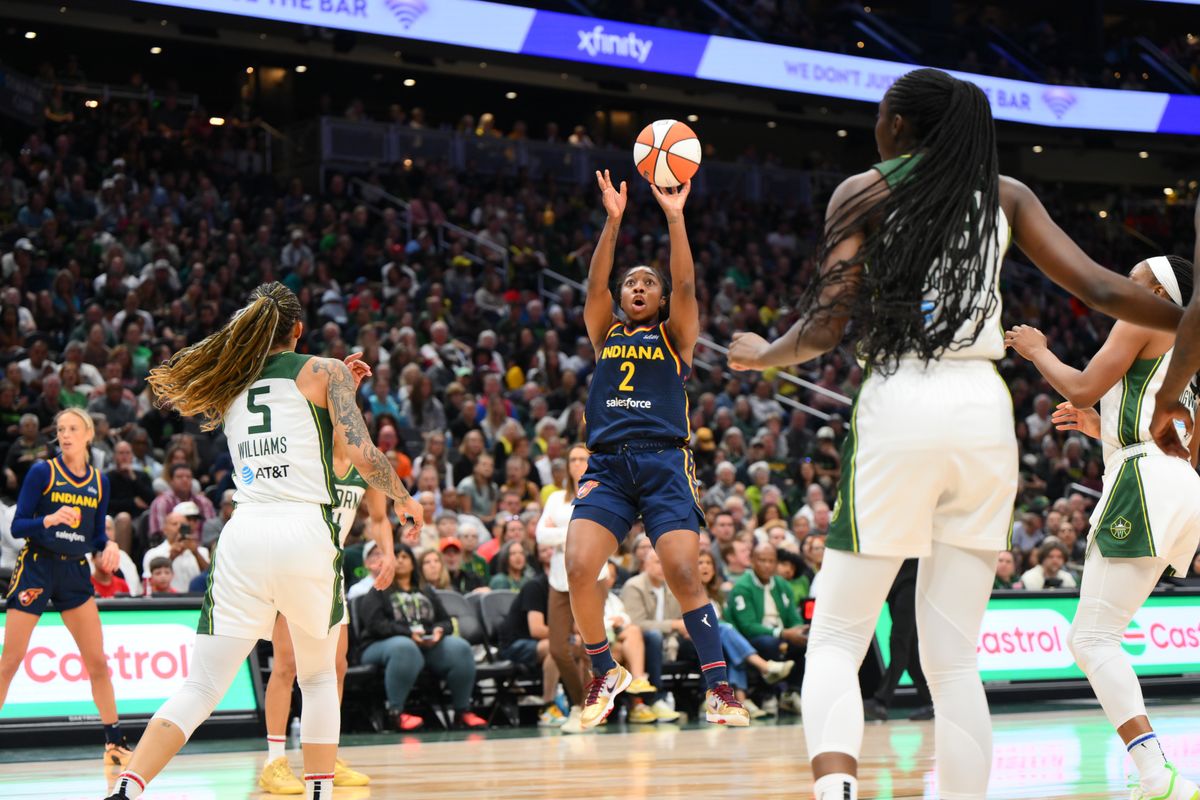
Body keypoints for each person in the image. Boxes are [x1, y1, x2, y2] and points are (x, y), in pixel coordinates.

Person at [725, 68, 1183, 800]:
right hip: (982, 412)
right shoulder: (1006, 196)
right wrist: (1188, 318)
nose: (876, 127)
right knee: (954, 658)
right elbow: (1100, 288)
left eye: (881, 115)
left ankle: (837, 792)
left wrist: (764, 355)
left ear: (900, 126)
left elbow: (825, 326)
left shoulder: (864, 190)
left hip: (902, 400)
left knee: (839, 637)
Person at [105, 282, 424, 800]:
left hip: (244, 535)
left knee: (201, 687)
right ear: (298, 330)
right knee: (318, 679)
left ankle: (126, 789)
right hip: (304, 532)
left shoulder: (231, 380)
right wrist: (404, 496)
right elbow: (359, 451)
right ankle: (320, 793)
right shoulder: (326, 370)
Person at [1008, 254, 1200, 798]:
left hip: (1144, 482)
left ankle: (1156, 773)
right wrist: (1102, 430)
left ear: (1160, 292)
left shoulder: (1141, 319)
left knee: (1092, 639)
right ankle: (1156, 773)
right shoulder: (1187, 349)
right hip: (1179, 482)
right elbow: (1177, 438)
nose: (1125, 286)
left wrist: (1039, 351)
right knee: (1095, 637)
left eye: (1136, 280)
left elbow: (1084, 386)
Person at [565, 170, 746, 729]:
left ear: (662, 298)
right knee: (577, 565)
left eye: (648, 283)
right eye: (631, 284)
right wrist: (613, 222)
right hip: (610, 466)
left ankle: (721, 688)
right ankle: (604, 669)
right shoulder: (607, 333)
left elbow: (688, 288)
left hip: (664, 460)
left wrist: (675, 217)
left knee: (683, 573)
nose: (637, 288)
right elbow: (593, 289)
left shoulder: (674, 336)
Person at [258, 444, 396, 793]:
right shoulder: (307, 446)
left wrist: (389, 553)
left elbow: (378, 518)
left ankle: (325, 754)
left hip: (330, 572)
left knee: (336, 667)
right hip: (292, 566)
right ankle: (274, 761)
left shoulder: (366, 459)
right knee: (287, 665)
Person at [0, 408, 132, 764]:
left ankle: (114, 742)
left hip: (75, 571)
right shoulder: (43, 471)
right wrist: (50, 517)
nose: (66, 434)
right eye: (61, 429)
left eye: (73, 428)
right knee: (10, 661)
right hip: (36, 567)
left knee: (98, 663)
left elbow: (95, 538)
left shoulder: (99, 481)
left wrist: (111, 546)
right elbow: (18, 527)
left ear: (89, 433)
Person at [358, 543, 485, 732]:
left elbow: (445, 621)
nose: (400, 560)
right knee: (405, 647)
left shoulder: (425, 591)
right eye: (396, 557)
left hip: (425, 644)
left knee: (460, 648)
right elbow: (375, 625)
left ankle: (462, 711)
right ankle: (396, 713)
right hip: (380, 646)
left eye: (405, 557)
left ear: (412, 563)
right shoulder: (378, 590)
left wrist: (438, 631)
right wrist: (408, 633)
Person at [533, 441, 592, 732]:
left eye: (583, 458)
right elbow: (541, 536)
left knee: (589, 648)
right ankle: (580, 702)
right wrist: (573, 533)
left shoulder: (603, 494)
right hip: (559, 580)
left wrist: (561, 533)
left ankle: (585, 708)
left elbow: (598, 535)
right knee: (558, 649)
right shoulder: (556, 499)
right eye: (573, 459)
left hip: (593, 578)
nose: (577, 464)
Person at [697, 550, 793, 719]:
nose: (705, 566)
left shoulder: (717, 594)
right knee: (726, 630)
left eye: (708, 563)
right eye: (700, 563)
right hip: (697, 638)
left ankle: (741, 700)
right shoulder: (687, 593)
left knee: (735, 649)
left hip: (719, 640)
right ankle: (765, 667)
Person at [725, 543, 807, 712]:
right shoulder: (743, 587)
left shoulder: (782, 585)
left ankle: (792, 693)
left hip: (782, 634)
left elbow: (794, 617)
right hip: (752, 639)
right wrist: (782, 634)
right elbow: (747, 627)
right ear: (752, 561)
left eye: (771, 561)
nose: (767, 565)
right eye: (762, 560)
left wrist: (798, 631)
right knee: (769, 643)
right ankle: (767, 694)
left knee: (806, 641)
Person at [862, 559, 934, 722]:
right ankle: (935, 702)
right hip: (896, 584)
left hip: (912, 582)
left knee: (899, 641)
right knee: (911, 655)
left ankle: (881, 701)